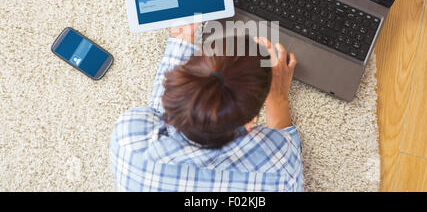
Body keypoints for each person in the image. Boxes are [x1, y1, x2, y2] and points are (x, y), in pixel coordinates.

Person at [109, 24, 304, 191]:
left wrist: (182, 40)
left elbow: (161, 115)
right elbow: (287, 147)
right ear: (249, 122)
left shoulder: (129, 138)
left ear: (184, 66)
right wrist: (277, 99)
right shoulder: (278, 167)